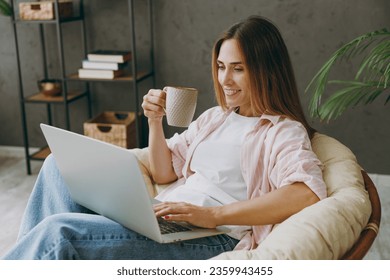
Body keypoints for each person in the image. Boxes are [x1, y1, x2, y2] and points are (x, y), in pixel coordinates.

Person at [3, 15, 326, 260]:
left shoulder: (282, 131)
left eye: (238, 68)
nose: (225, 79)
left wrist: (212, 215)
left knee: (59, 233)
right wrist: (155, 122)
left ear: (266, 70)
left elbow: (305, 193)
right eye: (220, 66)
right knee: (56, 166)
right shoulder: (216, 118)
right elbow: (164, 172)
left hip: (211, 236)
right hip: (167, 217)